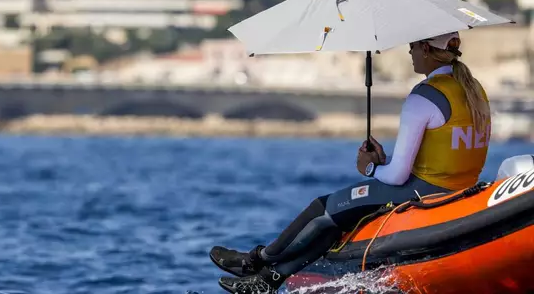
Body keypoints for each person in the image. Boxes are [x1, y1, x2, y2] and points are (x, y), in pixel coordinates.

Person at [210, 31, 492, 294]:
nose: (410, 51)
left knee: (323, 208)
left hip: (422, 191)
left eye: (414, 45)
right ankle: (269, 279)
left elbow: (396, 176)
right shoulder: (475, 90)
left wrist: (370, 167)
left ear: (428, 50)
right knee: (334, 224)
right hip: (462, 189)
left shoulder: (424, 96)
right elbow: (445, 151)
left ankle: (256, 259)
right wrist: (385, 162)